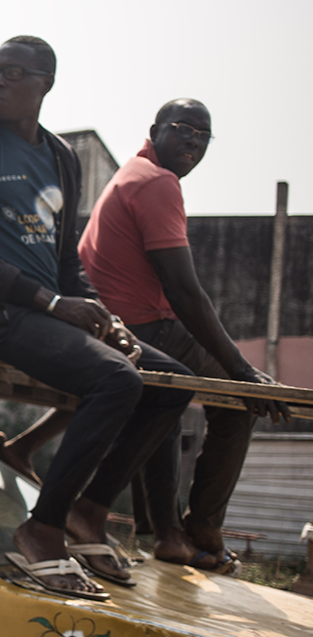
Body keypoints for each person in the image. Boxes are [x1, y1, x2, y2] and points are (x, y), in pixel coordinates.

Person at [0, 36, 194, 599]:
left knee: (170, 384)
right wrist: (54, 305)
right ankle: (43, 526)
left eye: (13, 73)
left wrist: (105, 317)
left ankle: (88, 511)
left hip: (42, 308)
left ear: (46, 84)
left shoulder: (60, 156)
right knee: (115, 380)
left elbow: (63, 261)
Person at [78, 98, 290, 573]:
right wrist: (242, 371)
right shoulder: (158, 183)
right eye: (183, 129)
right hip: (140, 326)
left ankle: (169, 535)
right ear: (155, 130)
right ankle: (204, 527)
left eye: (203, 135)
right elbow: (185, 292)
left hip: (116, 323)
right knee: (238, 403)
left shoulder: (132, 174)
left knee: (167, 406)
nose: (194, 141)